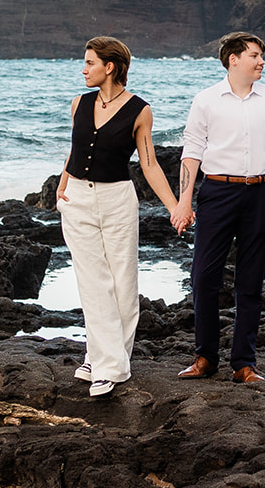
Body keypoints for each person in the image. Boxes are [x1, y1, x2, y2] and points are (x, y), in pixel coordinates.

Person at [56, 36, 191, 397]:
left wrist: (174, 205)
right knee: (93, 282)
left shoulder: (139, 110)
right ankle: (108, 364)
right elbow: (75, 148)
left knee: (123, 282)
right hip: (78, 200)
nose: (83, 69)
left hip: (117, 199)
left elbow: (148, 163)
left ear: (109, 67)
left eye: (89, 63)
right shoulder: (78, 104)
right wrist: (62, 184)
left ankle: (104, 359)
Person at [173, 31, 265, 384]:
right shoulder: (207, 100)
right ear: (233, 59)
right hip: (218, 193)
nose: (261, 61)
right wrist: (184, 202)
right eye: (255, 55)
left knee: (251, 281)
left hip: (264, 193)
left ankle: (244, 363)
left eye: (261, 56)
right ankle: (205, 357)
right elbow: (192, 151)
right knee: (203, 276)